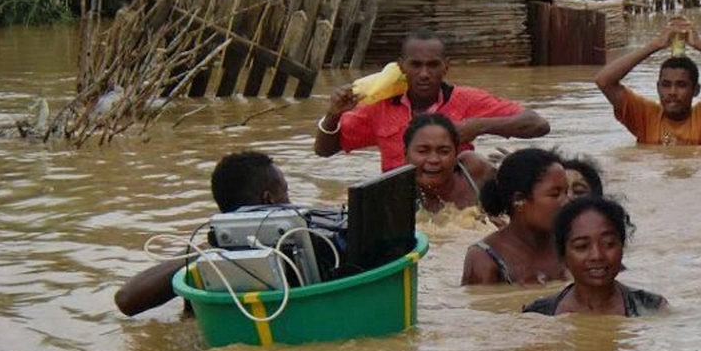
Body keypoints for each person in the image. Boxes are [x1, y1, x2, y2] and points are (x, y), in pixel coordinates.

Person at [315, 29, 550, 170]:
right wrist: (333, 113)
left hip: (452, 202)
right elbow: (324, 151)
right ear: (401, 67)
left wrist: (477, 126)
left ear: (446, 66)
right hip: (398, 201)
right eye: (416, 65)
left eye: (433, 65)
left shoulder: (468, 100)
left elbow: (538, 124)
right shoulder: (380, 106)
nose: (424, 74)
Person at [114, 151, 291, 317]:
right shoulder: (205, 255)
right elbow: (126, 299)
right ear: (269, 199)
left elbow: (126, 300)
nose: (290, 202)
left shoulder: (200, 258)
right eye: (286, 192)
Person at [594, 16, 701, 145]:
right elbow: (604, 80)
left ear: (696, 90)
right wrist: (655, 45)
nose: (672, 92)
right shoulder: (644, 115)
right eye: (666, 85)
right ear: (657, 88)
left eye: (681, 85)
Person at [523, 196, 667, 317]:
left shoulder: (652, 308)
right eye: (582, 246)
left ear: (621, 247)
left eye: (608, 244)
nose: (597, 256)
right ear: (563, 255)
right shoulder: (539, 315)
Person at [461, 148, 570, 285]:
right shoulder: (484, 259)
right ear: (519, 200)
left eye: (567, 192)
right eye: (554, 194)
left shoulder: (573, 245)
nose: (567, 201)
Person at [404, 113, 494, 213]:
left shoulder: (473, 171)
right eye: (423, 151)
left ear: (456, 153)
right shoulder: (396, 196)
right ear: (406, 155)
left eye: (444, 151)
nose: (434, 160)